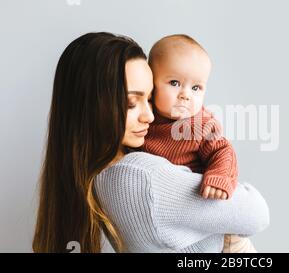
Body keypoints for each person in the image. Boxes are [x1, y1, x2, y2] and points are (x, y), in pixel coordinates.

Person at [32, 32, 269, 253]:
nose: (150, 116)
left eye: (149, 99)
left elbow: (220, 150)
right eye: (131, 104)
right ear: (91, 108)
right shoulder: (142, 178)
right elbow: (257, 212)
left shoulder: (91, 178)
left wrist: (218, 175)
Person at [143, 34, 256, 252]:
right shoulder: (142, 121)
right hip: (183, 228)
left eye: (196, 88)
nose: (185, 95)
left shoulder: (201, 124)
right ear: (151, 85)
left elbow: (223, 151)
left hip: (223, 235)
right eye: (174, 83)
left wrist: (219, 178)